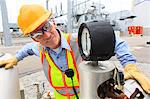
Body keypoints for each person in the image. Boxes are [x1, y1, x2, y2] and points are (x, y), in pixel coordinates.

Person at [0, 4, 150, 98]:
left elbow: (116, 41)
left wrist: (130, 66)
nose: (46, 35)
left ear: (52, 22)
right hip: (60, 97)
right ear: (34, 38)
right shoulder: (39, 48)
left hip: (86, 94)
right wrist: (16, 58)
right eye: (38, 33)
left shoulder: (79, 41)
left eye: (46, 27)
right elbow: (27, 49)